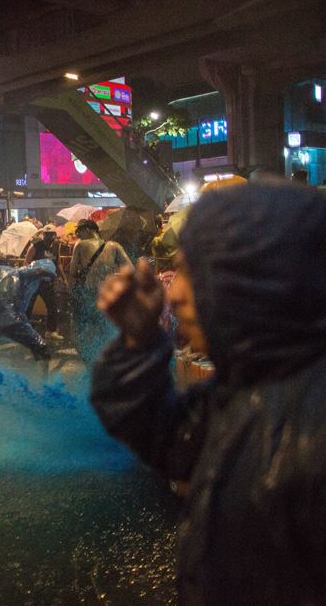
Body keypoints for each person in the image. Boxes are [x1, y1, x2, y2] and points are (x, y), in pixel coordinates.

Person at [90, 184, 326, 605]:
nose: (175, 294)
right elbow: (168, 441)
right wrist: (138, 344)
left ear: (254, 281)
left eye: (194, 274)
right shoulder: (248, 386)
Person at [69, 219, 132, 364]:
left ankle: (94, 363)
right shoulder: (115, 246)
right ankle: (112, 359)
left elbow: (73, 272)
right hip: (111, 294)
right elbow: (130, 270)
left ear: (89, 229)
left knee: (88, 329)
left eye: (79, 230)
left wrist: (72, 293)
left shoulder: (80, 245)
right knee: (108, 327)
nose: (77, 234)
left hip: (90, 294)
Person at [24, 224, 63, 340]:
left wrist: (63, 278)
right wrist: (34, 272)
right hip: (35, 281)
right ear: (43, 235)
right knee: (28, 306)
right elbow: (26, 262)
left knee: (52, 306)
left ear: (55, 235)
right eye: (46, 234)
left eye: (51, 234)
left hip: (48, 282)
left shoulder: (56, 245)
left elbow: (59, 263)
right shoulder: (37, 245)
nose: (49, 237)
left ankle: (50, 331)